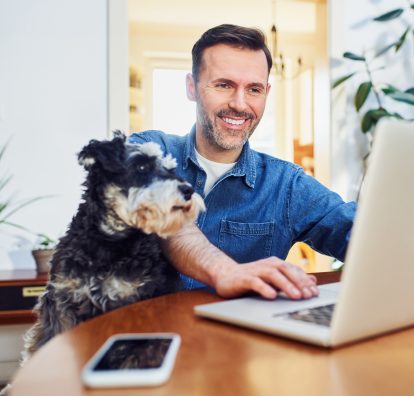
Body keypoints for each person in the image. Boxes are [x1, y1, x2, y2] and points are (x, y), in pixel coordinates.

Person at [129, 24, 355, 300]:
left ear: (266, 93)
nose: (239, 103)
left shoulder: (286, 186)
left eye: (254, 89)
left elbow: (358, 236)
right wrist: (224, 270)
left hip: (240, 341)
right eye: (224, 85)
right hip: (146, 335)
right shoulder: (150, 150)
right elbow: (165, 215)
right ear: (192, 87)